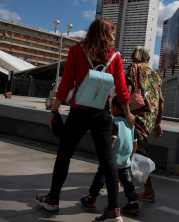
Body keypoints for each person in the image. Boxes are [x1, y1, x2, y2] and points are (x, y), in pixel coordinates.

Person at [35, 17, 134, 222]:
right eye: (112, 33)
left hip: (79, 112)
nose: (114, 37)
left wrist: (54, 111)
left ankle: (52, 200)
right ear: (106, 35)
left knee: (64, 155)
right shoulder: (115, 57)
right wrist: (128, 113)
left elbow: (66, 84)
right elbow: (122, 91)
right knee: (107, 158)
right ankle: (114, 210)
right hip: (102, 113)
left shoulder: (76, 51)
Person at [81, 96, 140, 215]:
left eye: (111, 107)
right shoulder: (131, 124)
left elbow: (111, 141)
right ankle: (133, 203)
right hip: (124, 161)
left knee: (100, 179)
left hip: (111, 160)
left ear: (115, 107)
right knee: (128, 182)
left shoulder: (113, 123)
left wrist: (105, 155)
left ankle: (91, 198)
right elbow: (135, 143)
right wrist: (132, 155)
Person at [125, 46, 163, 202]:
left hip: (136, 117)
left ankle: (148, 191)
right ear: (147, 59)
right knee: (134, 150)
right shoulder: (154, 73)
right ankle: (121, 179)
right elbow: (161, 101)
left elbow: (125, 93)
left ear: (133, 58)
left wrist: (125, 113)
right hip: (149, 119)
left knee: (138, 153)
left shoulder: (133, 68)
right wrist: (158, 123)